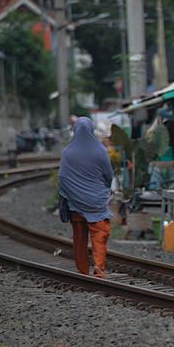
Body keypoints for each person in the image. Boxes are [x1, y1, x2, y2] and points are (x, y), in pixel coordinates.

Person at [58, 118, 113, 278]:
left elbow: (62, 177)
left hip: (75, 204)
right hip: (96, 203)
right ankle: (99, 268)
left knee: (80, 239)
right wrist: (104, 190)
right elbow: (108, 175)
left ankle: (82, 270)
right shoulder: (100, 150)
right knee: (99, 235)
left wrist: (72, 194)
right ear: (91, 129)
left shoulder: (68, 152)